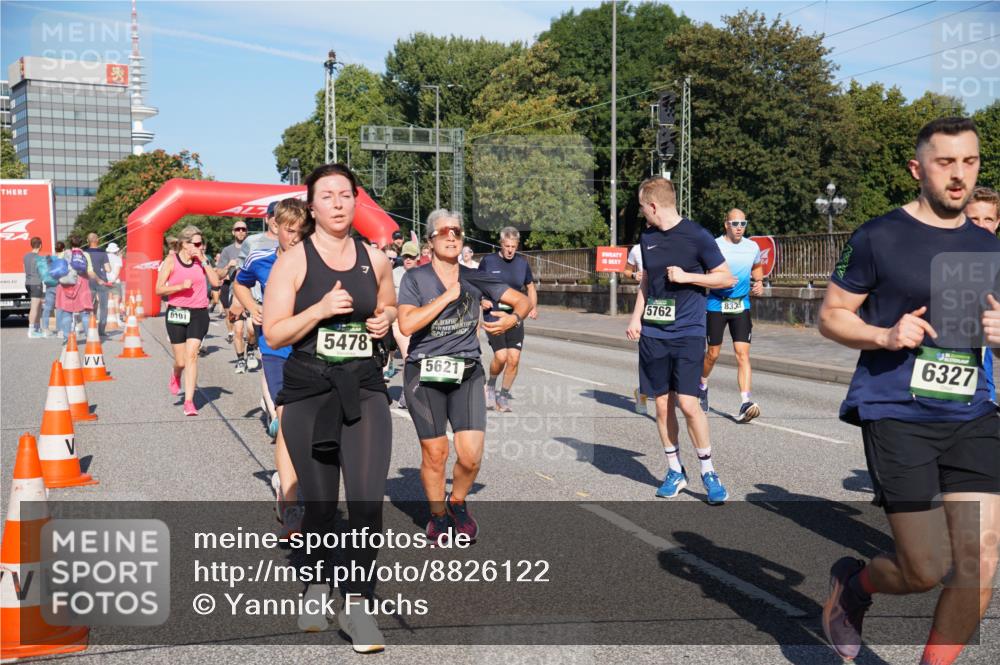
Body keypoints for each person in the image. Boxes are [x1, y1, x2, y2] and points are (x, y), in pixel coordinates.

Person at [818, 117, 1000, 665]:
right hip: (897, 412)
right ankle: (855, 586)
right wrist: (884, 334)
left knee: (976, 563)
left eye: (969, 162)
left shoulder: (986, 246)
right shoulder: (878, 237)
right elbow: (831, 315)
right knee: (924, 569)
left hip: (971, 414)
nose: (959, 174)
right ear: (917, 169)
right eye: (945, 162)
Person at [263, 163, 395, 651]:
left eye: (345, 194)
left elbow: (389, 305)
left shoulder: (374, 258)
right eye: (327, 196)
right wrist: (319, 310)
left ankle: (357, 607)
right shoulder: (294, 262)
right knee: (320, 506)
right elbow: (274, 331)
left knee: (366, 503)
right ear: (312, 207)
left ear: (356, 201)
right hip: (309, 391)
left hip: (364, 387)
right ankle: (317, 585)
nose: (338, 203)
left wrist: (384, 320)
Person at [398, 209, 530, 545]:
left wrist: (512, 319)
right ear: (430, 241)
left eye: (457, 231)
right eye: (444, 232)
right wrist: (447, 296)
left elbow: (522, 300)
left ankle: (456, 502)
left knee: (470, 456)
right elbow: (407, 324)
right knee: (436, 454)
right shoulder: (415, 278)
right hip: (424, 373)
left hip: (466, 371)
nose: (452, 236)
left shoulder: (476, 276)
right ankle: (437, 516)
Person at [625, 176, 735, 505]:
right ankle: (675, 470)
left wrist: (688, 277)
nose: (642, 213)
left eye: (643, 207)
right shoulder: (647, 238)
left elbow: (725, 278)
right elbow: (647, 282)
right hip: (654, 332)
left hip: (688, 331)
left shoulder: (697, 235)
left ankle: (708, 471)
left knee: (688, 404)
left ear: (653, 205)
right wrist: (635, 317)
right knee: (661, 405)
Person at [234, 198, 307, 538]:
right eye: (290, 230)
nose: (295, 237)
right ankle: (290, 503)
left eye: (302, 231)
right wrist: (252, 307)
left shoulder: (317, 261)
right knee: (288, 420)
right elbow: (240, 283)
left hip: (312, 351)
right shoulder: (260, 259)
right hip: (277, 350)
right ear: (275, 228)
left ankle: (298, 481)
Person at [700, 209, 764, 422]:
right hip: (716, 305)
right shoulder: (714, 245)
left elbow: (757, 267)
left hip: (740, 306)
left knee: (742, 354)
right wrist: (719, 281)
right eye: (735, 223)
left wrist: (759, 282)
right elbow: (705, 274)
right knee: (713, 354)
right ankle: (702, 385)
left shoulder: (752, 247)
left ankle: (745, 401)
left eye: (743, 223)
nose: (739, 227)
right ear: (726, 224)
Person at [155, 225, 221, 416]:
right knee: (181, 361)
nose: (201, 247)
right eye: (197, 244)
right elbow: (159, 289)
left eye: (202, 244)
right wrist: (179, 287)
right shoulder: (171, 261)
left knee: (192, 355)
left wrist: (204, 260)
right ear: (185, 244)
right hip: (177, 312)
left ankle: (189, 401)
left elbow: (215, 283)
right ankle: (176, 373)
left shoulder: (202, 261)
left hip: (199, 313)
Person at [478, 227, 538, 412]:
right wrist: (481, 299)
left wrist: (532, 306)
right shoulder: (488, 261)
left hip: (514, 316)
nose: (510, 250)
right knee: (501, 356)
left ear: (517, 245)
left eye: (513, 246)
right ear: (501, 244)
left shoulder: (522, 264)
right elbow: (476, 283)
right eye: (507, 246)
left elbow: (530, 287)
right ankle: (490, 386)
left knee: (514, 359)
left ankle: (503, 396)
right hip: (494, 314)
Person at [385, 241, 420, 390]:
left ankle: (416, 390)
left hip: (420, 320)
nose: (408, 259)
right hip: (399, 320)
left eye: (411, 256)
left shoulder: (425, 274)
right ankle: (408, 393)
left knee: (419, 358)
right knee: (408, 357)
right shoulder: (394, 274)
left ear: (418, 257)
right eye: (405, 256)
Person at [626, 219, 652, 414]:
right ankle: (642, 392)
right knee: (647, 349)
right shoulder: (637, 249)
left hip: (668, 302)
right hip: (645, 301)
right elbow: (626, 270)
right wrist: (634, 275)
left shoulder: (673, 245)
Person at [56, 236, 96, 341]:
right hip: (82, 285)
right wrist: (99, 280)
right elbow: (90, 272)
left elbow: (58, 270)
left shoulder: (63, 254)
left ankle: (66, 340)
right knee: (85, 313)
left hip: (67, 285)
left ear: (70, 244)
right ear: (81, 243)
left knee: (66, 312)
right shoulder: (85, 255)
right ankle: (89, 339)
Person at [84, 232, 113, 338]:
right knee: (103, 306)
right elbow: (108, 269)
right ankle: (101, 330)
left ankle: (89, 329)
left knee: (88, 306)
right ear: (98, 240)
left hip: (88, 281)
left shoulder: (84, 253)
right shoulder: (102, 252)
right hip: (102, 281)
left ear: (87, 241)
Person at [40, 240, 65, 338]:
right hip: (60, 285)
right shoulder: (63, 259)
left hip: (49, 285)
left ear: (55, 249)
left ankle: (45, 329)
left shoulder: (49, 258)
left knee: (47, 307)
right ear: (63, 249)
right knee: (59, 308)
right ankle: (60, 330)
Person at [24, 236, 45, 338]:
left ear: (31, 245)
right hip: (36, 283)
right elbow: (42, 273)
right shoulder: (39, 258)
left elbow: (25, 269)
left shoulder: (26, 256)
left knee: (38, 306)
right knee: (34, 307)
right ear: (40, 246)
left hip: (28, 282)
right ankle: (31, 330)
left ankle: (37, 328)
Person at [106, 242, 123, 321]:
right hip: (116, 281)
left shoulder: (104, 257)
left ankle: (108, 318)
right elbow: (117, 272)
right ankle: (117, 319)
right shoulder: (118, 258)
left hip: (106, 281)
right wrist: (113, 280)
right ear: (116, 250)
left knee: (107, 300)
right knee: (116, 300)